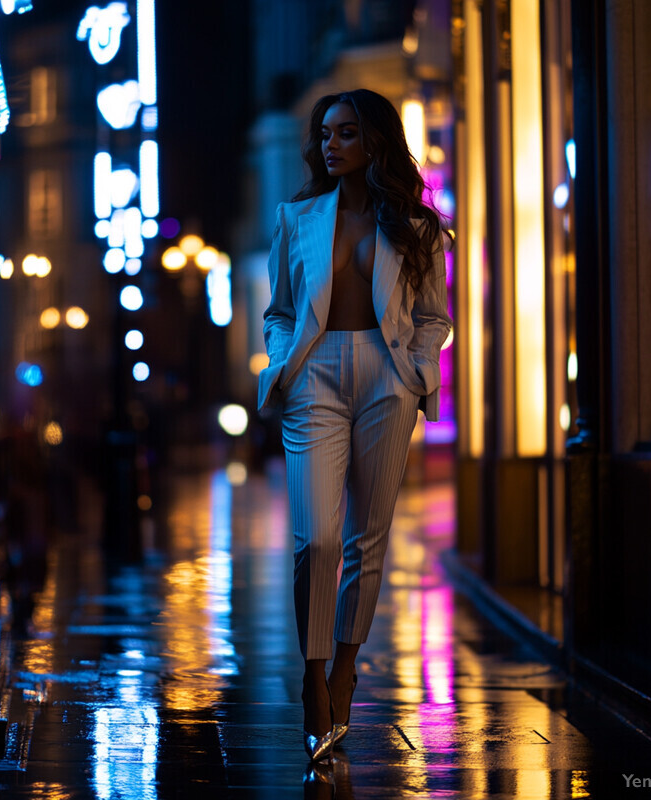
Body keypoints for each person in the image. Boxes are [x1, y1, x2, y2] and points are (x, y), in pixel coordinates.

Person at [258, 89, 453, 762]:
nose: (330, 143)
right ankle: (313, 680)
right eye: (325, 133)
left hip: (386, 375)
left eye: (345, 132)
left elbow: (433, 318)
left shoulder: (417, 227)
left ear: (375, 139)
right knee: (317, 538)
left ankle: (345, 666)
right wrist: (282, 363)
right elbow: (280, 310)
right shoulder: (297, 216)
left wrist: (418, 375)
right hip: (315, 376)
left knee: (367, 540)